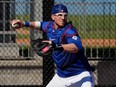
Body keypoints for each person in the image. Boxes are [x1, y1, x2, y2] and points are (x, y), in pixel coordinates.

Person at [11, 4, 95, 87]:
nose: (63, 18)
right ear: (53, 17)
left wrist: (57, 46)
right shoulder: (50, 26)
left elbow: (77, 47)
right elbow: (39, 25)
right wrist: (23, 23)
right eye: (59, 15)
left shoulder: (70, 31)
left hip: (80, 75)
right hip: (61, 77)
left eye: (65, 15)